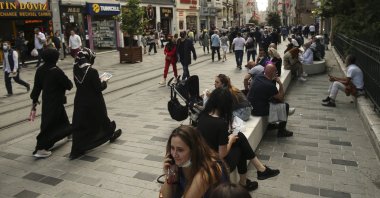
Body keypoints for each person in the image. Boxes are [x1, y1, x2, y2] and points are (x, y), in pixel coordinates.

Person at [197, 88, 280, 192]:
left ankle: (259, 171)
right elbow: (222, 154)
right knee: (240, 147)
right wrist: (230, 140)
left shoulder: (203, 116)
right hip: (217, 163)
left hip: (205, 158)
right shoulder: (220, 123)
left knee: (239, 136)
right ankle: (249, 179)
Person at [70, 48, 122, 159]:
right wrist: (104, 81)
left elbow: (82, 84)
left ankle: (76, 149)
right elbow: (98, 88)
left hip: (80, 100)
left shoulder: (76, 69)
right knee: (102, 118)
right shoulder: (92, 71)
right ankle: (110, 134)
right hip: (94, 100)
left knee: (81, 123)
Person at [160, 125, 229, 198]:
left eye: (180, 150)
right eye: (172, 148)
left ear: (194, 150)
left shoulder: (206, 170)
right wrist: (169, 176)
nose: (174, 154)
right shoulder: (179, 165)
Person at [30, 48, 73, 158]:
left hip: (47, 101)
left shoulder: (40, 70)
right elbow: (69, 85)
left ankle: (69, 133)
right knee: (48, 124)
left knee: (62, 118)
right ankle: (41, 148)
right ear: (54, 58)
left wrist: (34, 100)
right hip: (55, 101)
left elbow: (36, 88)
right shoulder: (56, 70)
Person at [248, 64, 294, 137]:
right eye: (275, 71)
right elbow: (281, 97)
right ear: (273, 73)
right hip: (257, 111)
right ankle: (281, 131)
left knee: (273, 100)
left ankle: (271, 124)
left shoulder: (258, 77)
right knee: (285, 106)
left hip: (251, 106)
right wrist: (280, 84)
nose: (277, 73)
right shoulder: (270, 85)